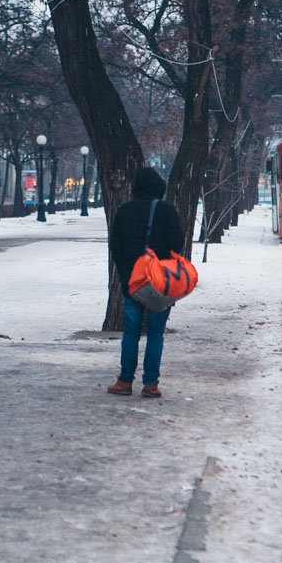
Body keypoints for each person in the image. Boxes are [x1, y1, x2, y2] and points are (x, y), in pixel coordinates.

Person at [107, 167, 185, 399]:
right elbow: (177, 243)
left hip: (134, 283)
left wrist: (125, 275)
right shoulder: (166, 211)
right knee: (155, 333)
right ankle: (150, 384)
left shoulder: (124, 211)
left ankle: (124, 381)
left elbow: (116, 247)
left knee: (130, 333)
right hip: (160, 284)